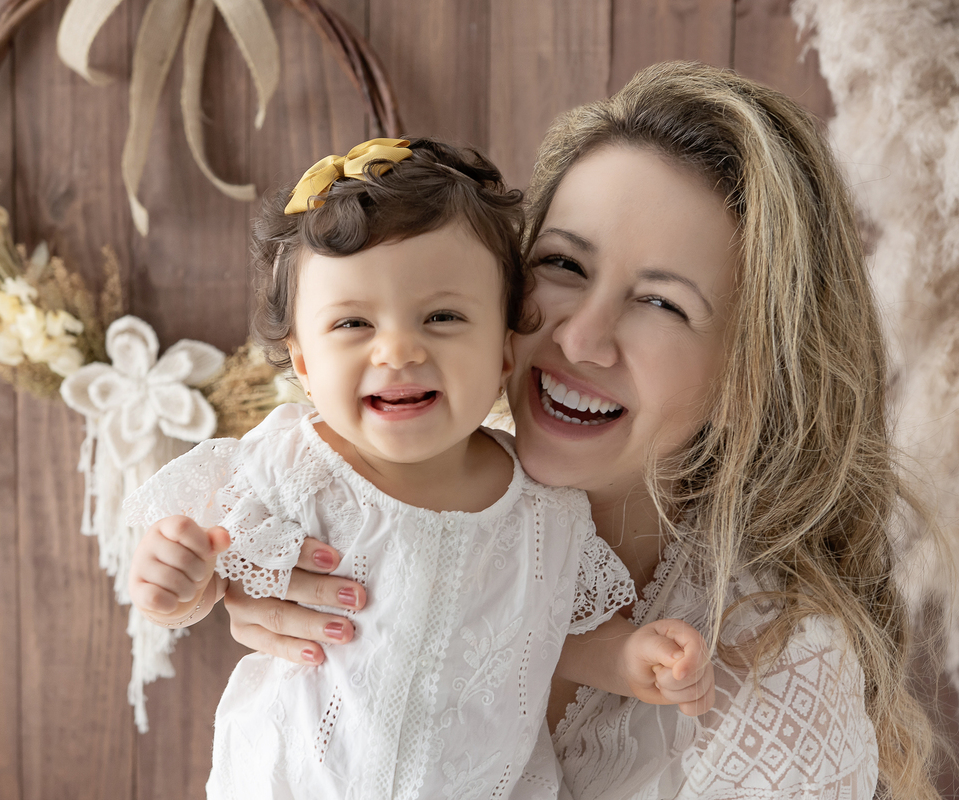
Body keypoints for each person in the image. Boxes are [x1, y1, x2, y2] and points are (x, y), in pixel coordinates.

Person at [221, 63, 942, 800]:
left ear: (750, 376)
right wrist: (250, 581)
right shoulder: (390, 486)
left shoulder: (776, 684)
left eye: (662, 304)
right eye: (563, 264)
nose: (582, 338)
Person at [125, 137, 715, 799]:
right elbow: (221, 566)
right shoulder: (291, 466)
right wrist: (181, 582)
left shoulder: (544, 512)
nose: (399, 350)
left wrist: (632, 661)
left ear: (502, 351)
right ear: (302, 364)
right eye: (353, 323)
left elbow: (551, 636)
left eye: (443, 316)